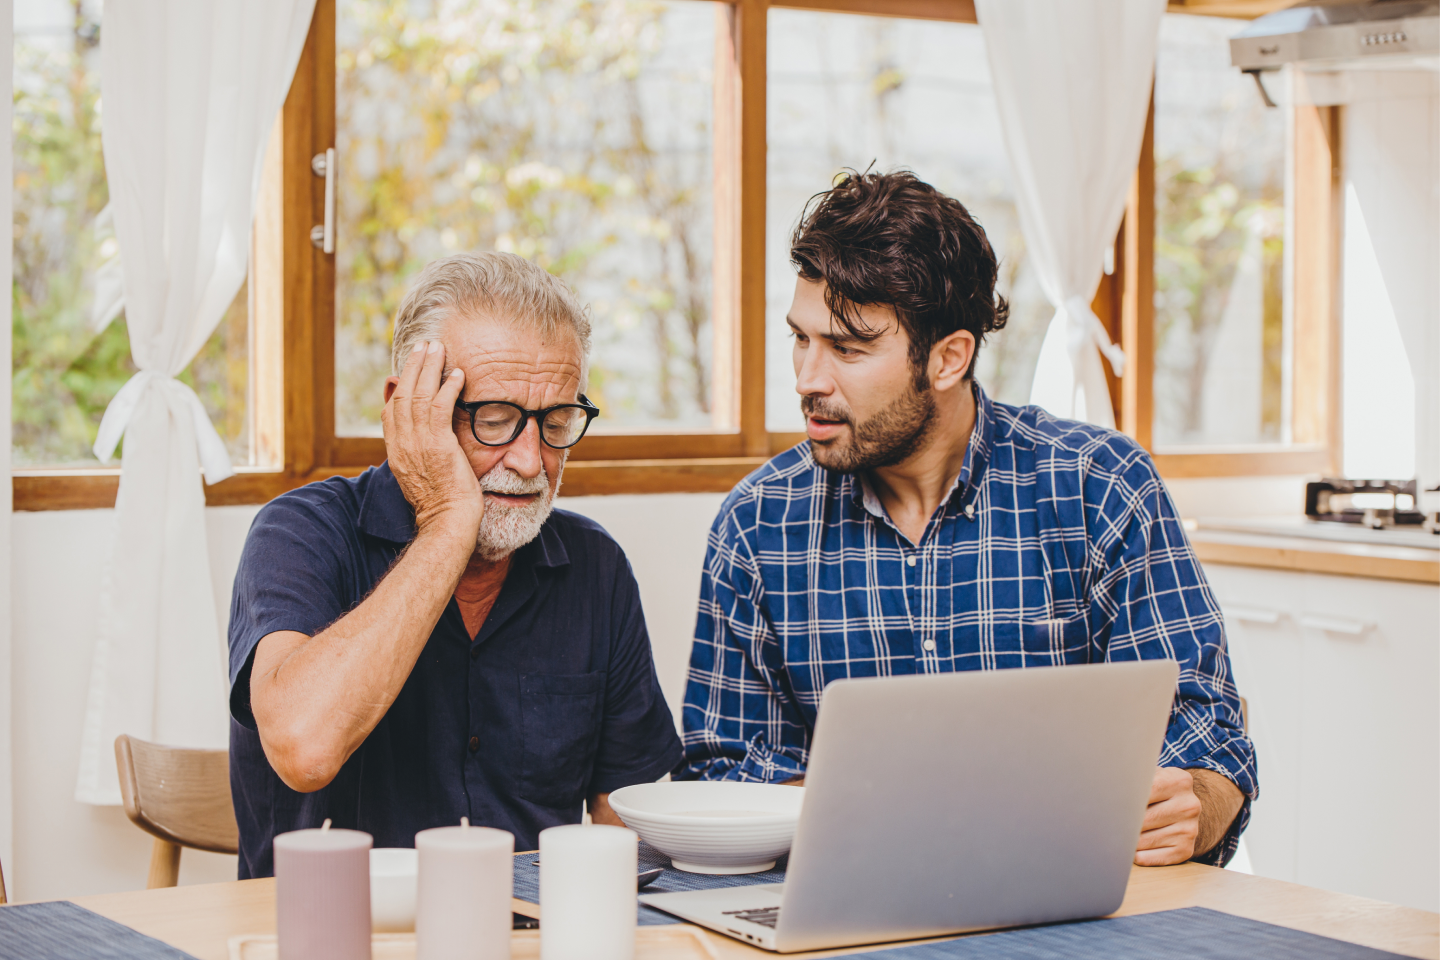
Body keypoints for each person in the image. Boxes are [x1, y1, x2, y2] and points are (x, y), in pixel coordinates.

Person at [679, 171, 1256, 867]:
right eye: (801, 339)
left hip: (1076, 916)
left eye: (848, 347)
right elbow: (725, 769)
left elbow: (1207, 733)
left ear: (949, 357)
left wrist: (1195, 805)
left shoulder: (1100, 489)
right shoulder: (756, 525)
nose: (808, 378)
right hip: (851, 914)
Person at [227, 252, 681, 878]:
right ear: (407, 406)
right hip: (336, 932)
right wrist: (446, 522)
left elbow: (624, 823)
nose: (529, 460)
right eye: (494, 421)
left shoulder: (595, 568)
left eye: (556, 423)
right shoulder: (301, 532)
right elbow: (305, 748)